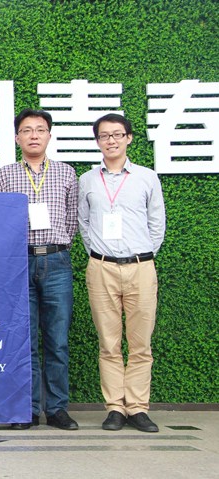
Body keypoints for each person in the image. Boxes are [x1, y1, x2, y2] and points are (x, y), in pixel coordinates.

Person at [78, 114, 166, 433]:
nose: (111, 141)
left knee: (141, 344)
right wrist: (100, 254)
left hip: (141, 267)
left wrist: (142, 254)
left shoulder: (147, 177)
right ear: (98, 141)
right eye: (104, 136)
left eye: (117, 134)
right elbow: (84, 223)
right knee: (109, 343)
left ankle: (138, 408)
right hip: (101, 267)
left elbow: (157, 223)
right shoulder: (88, 180)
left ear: (129, 138)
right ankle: (115, 407)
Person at [0, 109, 79, 431]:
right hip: (19, 262)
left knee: (57, 340)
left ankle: (57, 409)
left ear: (49, 136)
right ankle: (27, 408)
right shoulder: (3, 176)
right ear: (17, 138)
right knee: (24, 341)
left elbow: (72, 220)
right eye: (27, 130)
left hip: (56, 261)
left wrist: (59, 246)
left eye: (40, 130)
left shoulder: (66, 173)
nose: (33, 135)